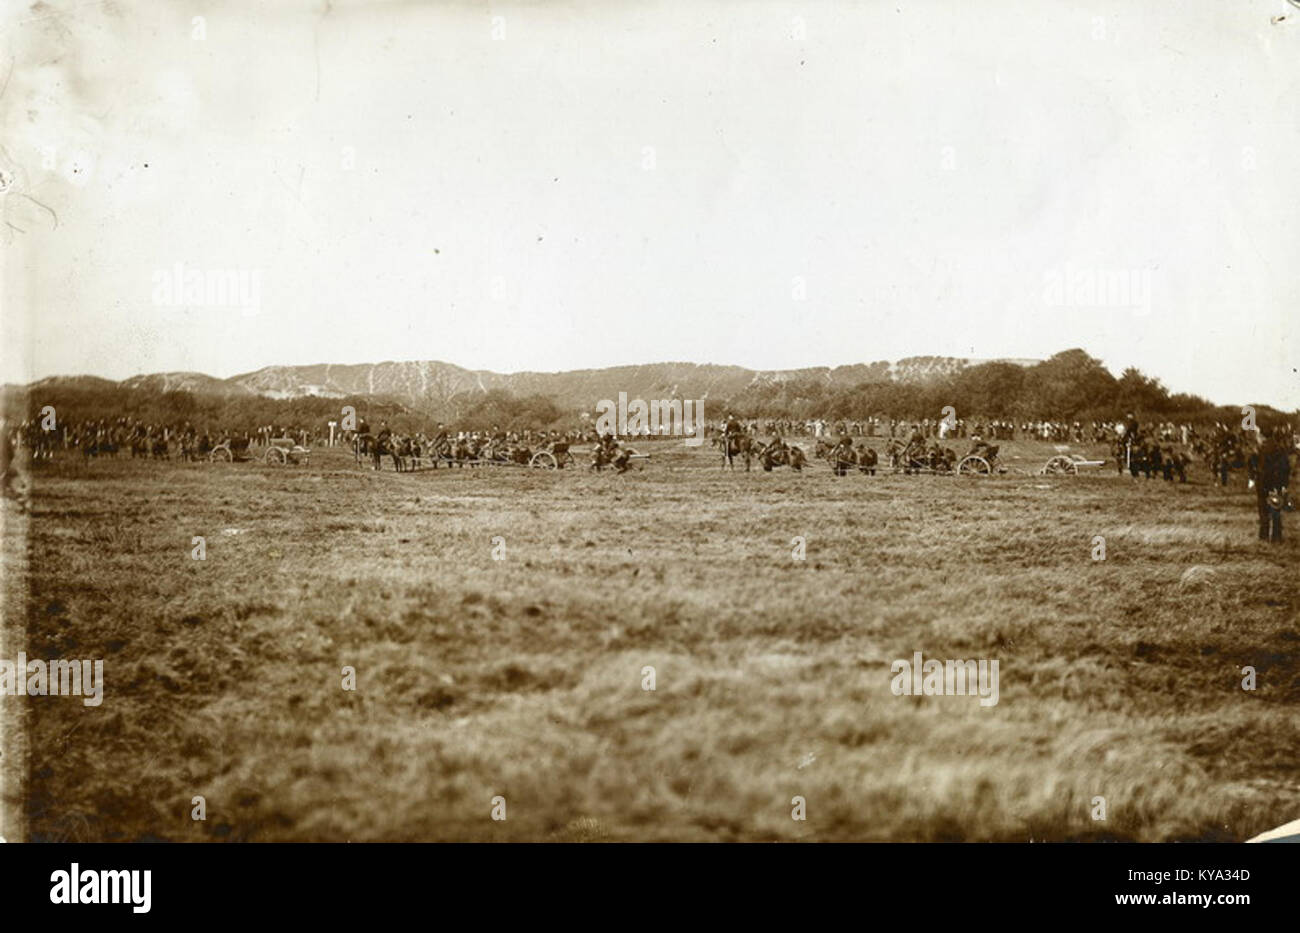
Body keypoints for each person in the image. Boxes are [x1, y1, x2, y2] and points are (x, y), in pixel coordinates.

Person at [1254, 428, 1292, 543]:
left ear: (1262, 436)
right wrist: (1284, 484)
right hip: (1276, 484)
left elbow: (1252, 465)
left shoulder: (1259, 450)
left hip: (1263, 484)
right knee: (1275, 511)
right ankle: (1276, 538)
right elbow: (1286, 468)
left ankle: (1264, 537)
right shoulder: (1280, 449)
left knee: (1263, 511)